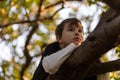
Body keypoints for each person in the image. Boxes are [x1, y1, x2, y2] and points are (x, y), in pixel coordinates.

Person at [32, 18, 109, 80]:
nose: (77, 33)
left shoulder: (85, 53)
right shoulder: (53, 47)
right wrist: (73, 46)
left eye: (80, 31)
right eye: (71, 30)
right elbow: (49, 67)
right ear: (59, 38)